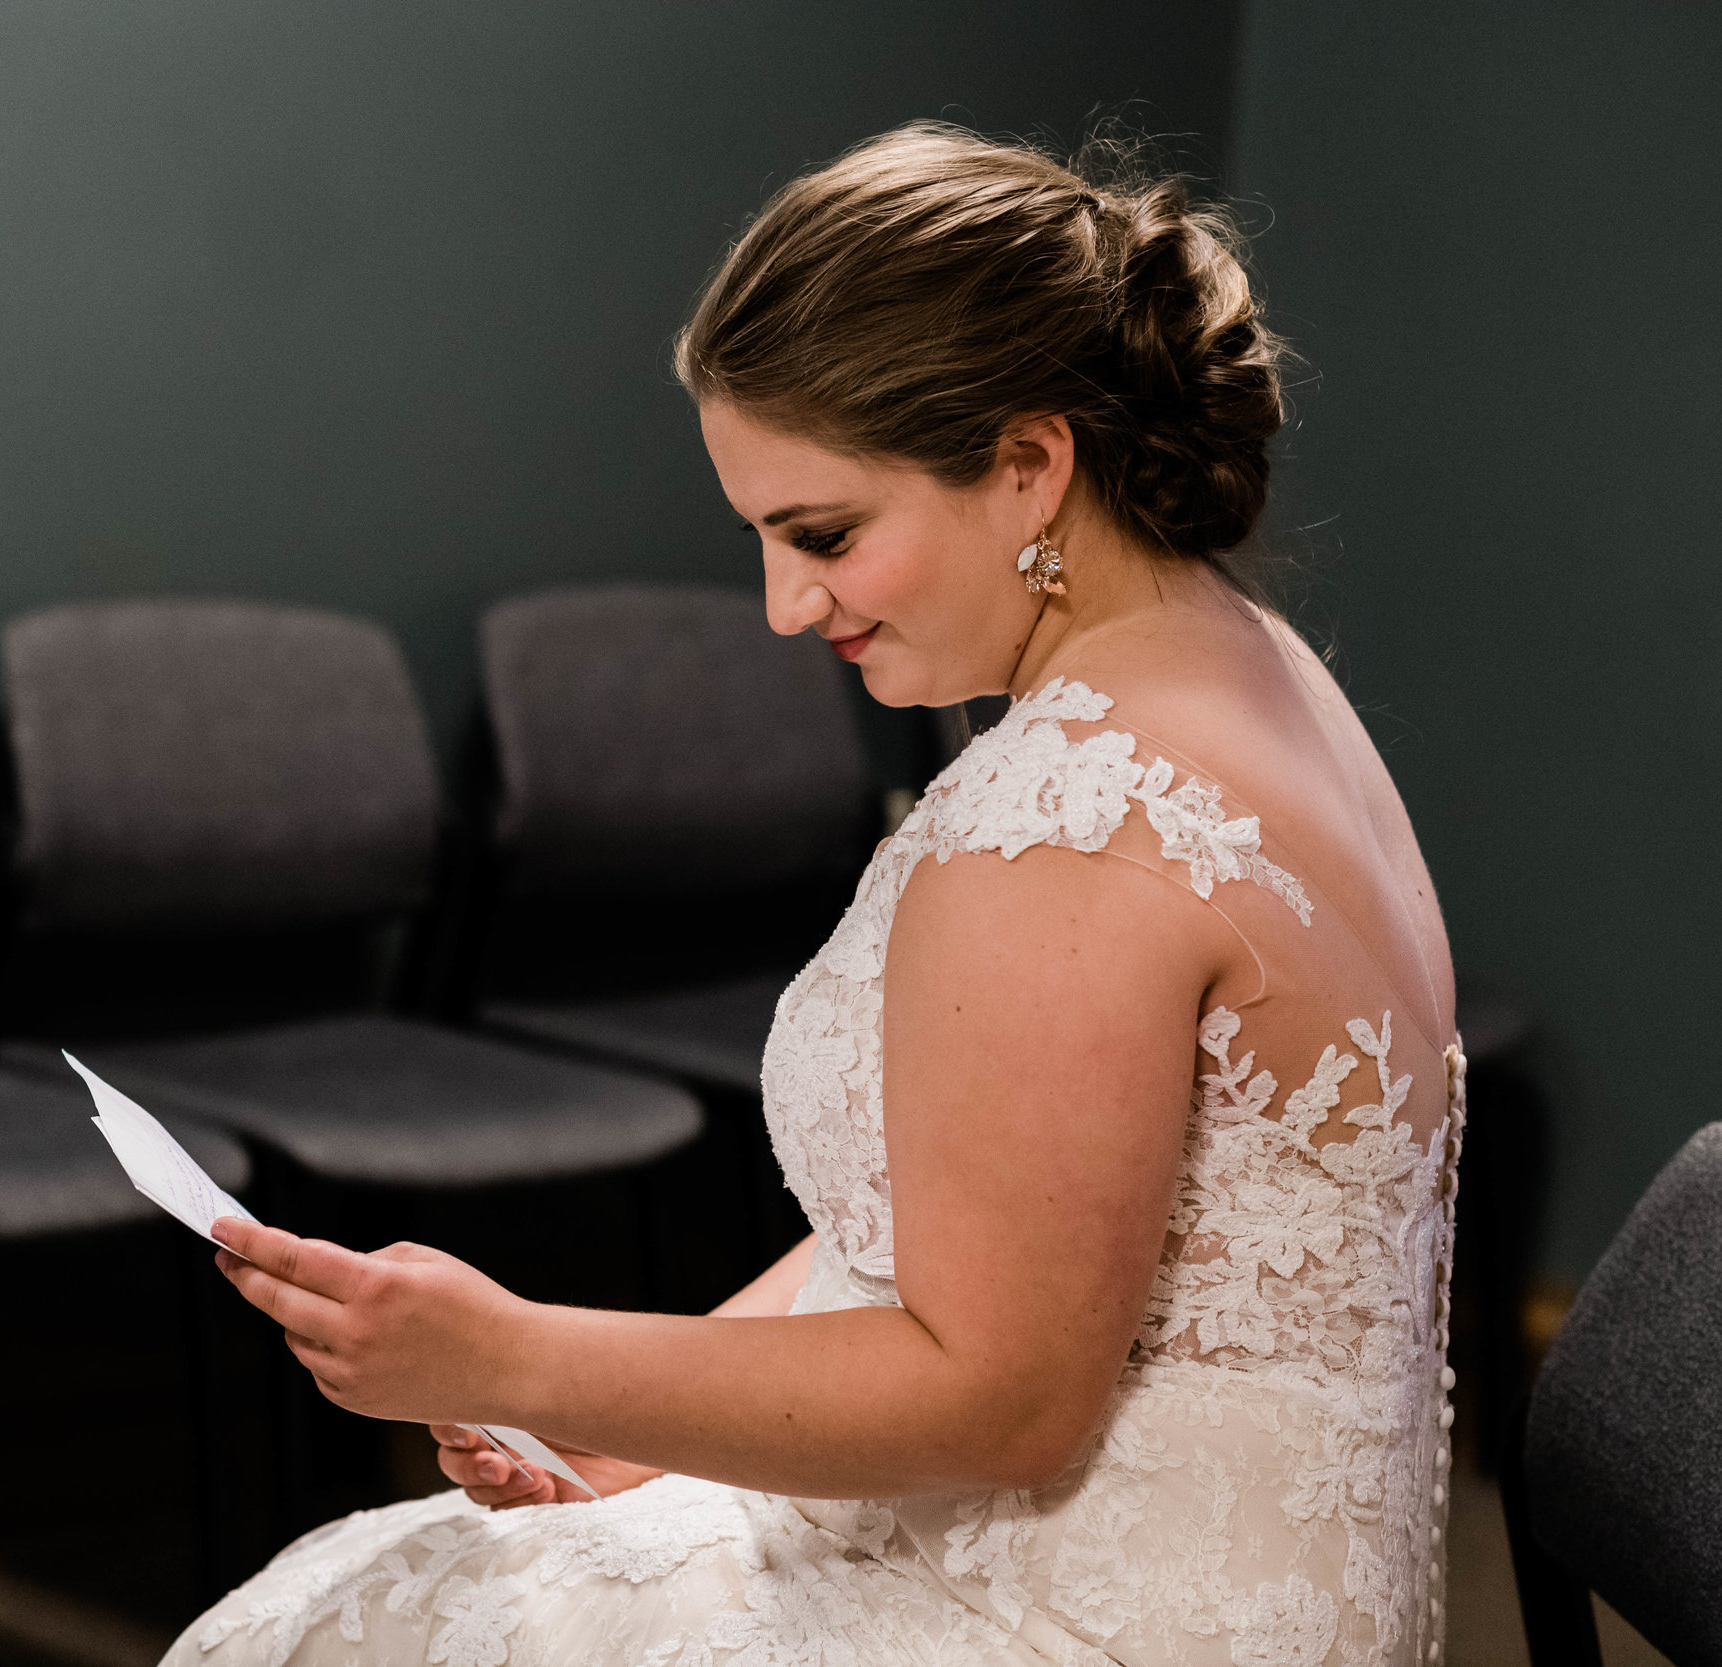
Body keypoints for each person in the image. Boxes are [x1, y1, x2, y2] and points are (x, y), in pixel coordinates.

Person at [171, 122, 1462, 1667]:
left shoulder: (1065, 833)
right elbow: (939, 1234)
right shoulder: (1239, 667)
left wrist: (520, 1354)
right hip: (1253, 1582)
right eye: (765, 541)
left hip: (1074, 1613)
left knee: (332, 1630)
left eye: (826, 535)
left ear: (1028, 465)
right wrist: (628, 1440)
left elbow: (1003, 1398)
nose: (787, 607)